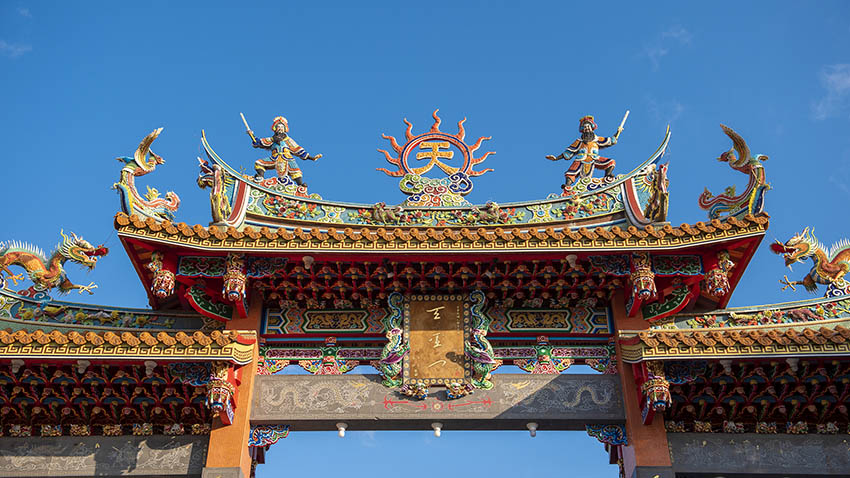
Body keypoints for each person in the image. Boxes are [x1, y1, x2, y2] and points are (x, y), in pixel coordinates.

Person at [546, 115, 620, 187]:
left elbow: (611, 141)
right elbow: (568, 152)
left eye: (588, 126)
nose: (587, 128)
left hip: (594, 158)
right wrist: (556, 158)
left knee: (611, 162)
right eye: (585, 127)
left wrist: (618, 132)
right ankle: (567, 186)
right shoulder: (579, 141)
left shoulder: (597, 139)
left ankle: (607, 176)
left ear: (592, 128)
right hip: (581, 159)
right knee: (570, 173)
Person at [248, 116, 321, 186]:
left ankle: (300, 185)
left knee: (296, 171)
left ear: (285, 129)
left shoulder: (288, 140)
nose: (280, 128)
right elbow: (259, 142)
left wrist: (311, 157)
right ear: (275, 128)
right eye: (278, 127)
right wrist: (252, 135)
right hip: (275, 157)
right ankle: (260, 177)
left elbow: (298, 149)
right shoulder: (272, 140)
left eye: (282, 127)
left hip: (287, 158)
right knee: (258, 163)